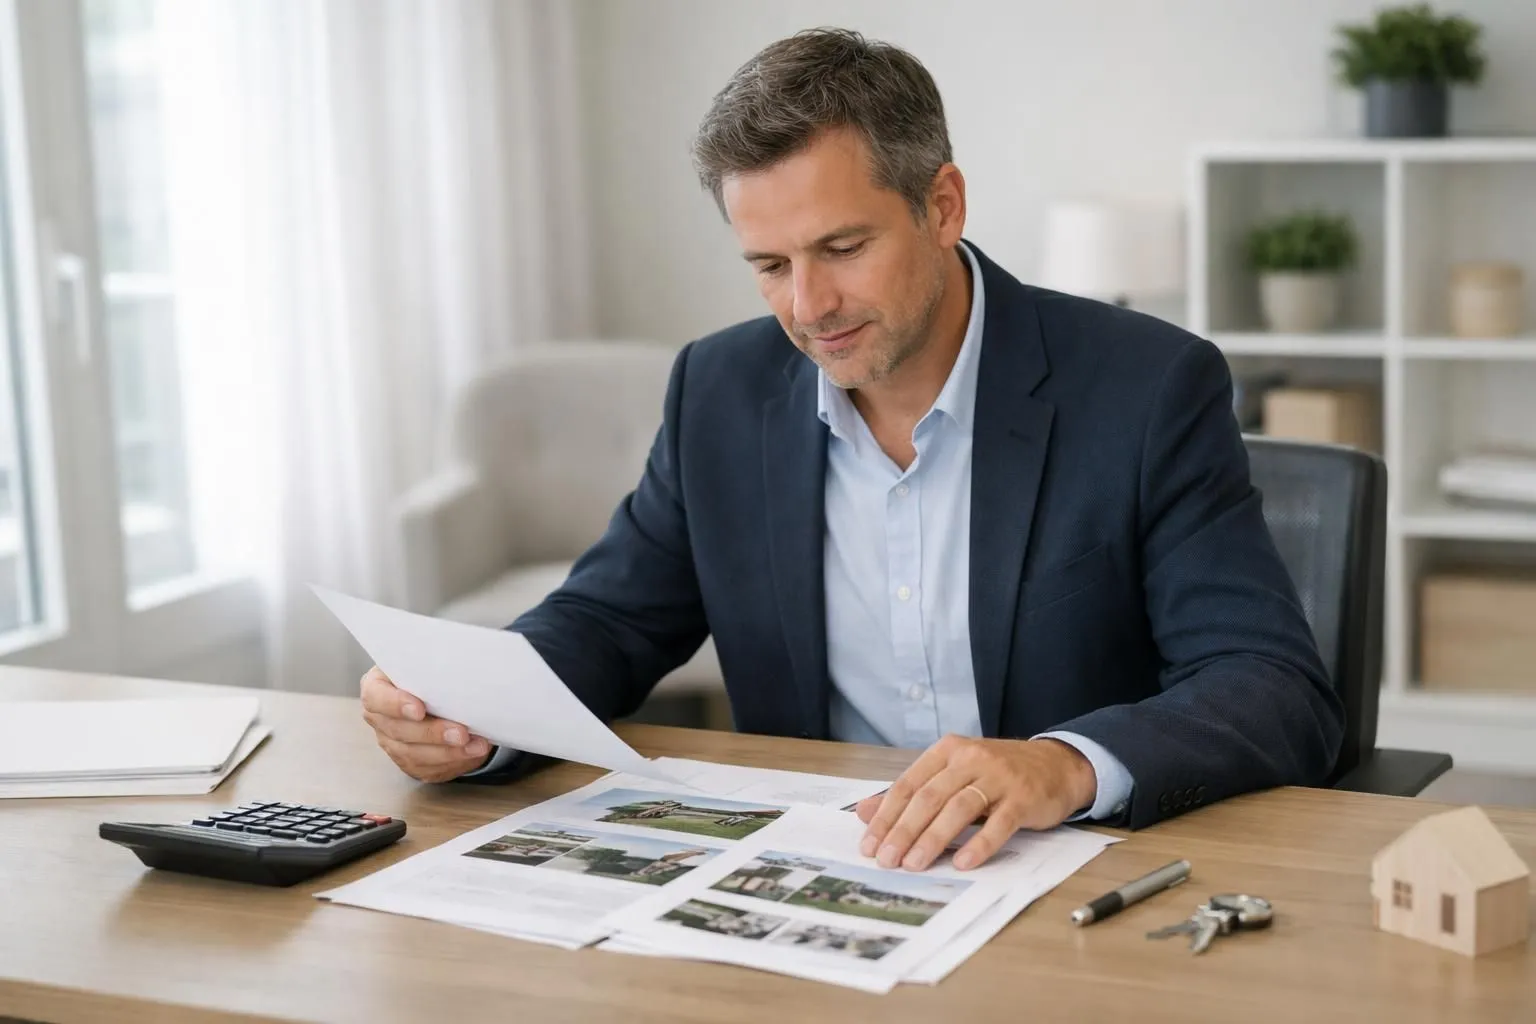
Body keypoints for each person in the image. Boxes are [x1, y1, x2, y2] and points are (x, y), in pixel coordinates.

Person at [360, 27, 1343, 872]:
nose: (807, 306)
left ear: (943, 206)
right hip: (821, 872)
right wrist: (464, 711)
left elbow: (1272, 684)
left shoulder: (1145, 385)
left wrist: (1061, 762)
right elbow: (607, 622)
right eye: (769, 265)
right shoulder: (719, 391)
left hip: (1073, 881)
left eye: (841, 249)